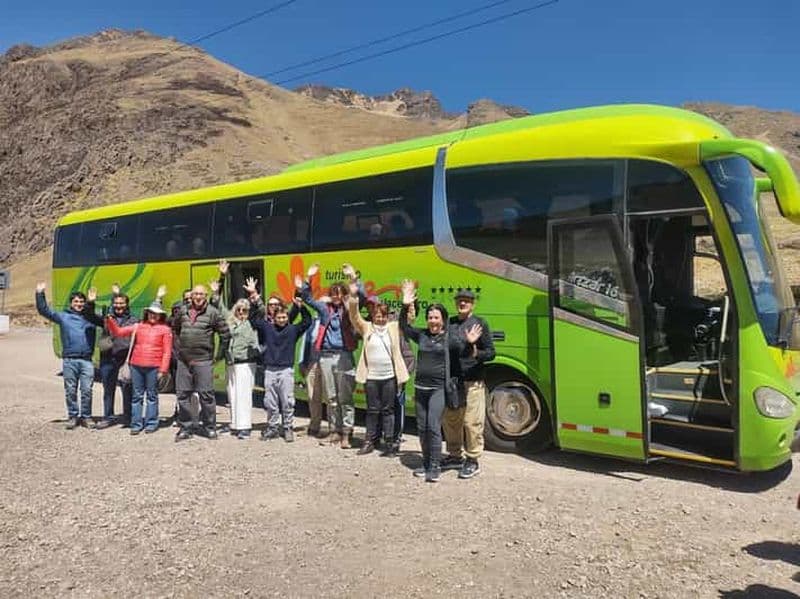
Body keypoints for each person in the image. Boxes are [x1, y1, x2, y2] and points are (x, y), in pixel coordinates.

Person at [399, 280, 483, 482]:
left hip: (438, 389)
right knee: (421, 428)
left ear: (443, 320)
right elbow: (403, 326)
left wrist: (471, 344)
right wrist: (405, 304)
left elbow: (469, 356)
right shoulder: (422, 336)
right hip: (420, 388)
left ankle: (435, 467)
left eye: (436, 317)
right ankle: (427, 462)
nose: (432, 321)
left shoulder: (450, 339)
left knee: (433, 426)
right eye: (430, 317)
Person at [301, 263, 362, 448]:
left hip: (344, 356)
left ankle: (346, 433)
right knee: (332, 398)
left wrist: (353, 279)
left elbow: (360, 298)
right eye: (333, 293)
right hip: (326, 356)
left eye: (339, 293)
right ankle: (334, 431)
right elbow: (307, 298)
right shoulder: (325, 310)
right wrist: (308, 278)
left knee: (345, 398)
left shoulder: (349, 311)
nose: (336, 296)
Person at [346, 283, 409, 456]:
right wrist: (353, 296)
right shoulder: (366, 327)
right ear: (373, 316)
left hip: (389, 377)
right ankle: (369, 441)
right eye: (377, 315)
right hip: (371, 377)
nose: (380, 318)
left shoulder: (394, 327)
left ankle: (389, 443)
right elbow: (354, 315)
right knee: (372, 410)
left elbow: (406, 319)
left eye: (383, 316)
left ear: (388, 316)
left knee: (388, 410)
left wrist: (406, 302)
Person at [249, 278, 312, 442]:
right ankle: (272, 427)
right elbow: (253, 320)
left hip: (286, 371)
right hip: (270, 369)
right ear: (274, 317)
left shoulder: (293, 330)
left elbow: (307, 321)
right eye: (279, 317)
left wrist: (301, 307)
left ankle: (288, 427)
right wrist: (254, 301)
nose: (282, 319)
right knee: (270, 401)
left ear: (287, 317)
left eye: (285, 317)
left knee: (288, 401)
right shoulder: (267, 327)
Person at [442, 289, 496, 479]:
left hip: (473, 381)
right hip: (454, 382)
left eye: (466, 301)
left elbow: (491, 352)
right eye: (459, 301)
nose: (462, 304)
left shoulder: (480, 323)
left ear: (472, 304)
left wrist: (475, 350)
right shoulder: (450, 323)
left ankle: (473, 459)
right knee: (451, 420)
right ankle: (455, 455)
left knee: (472, 422)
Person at [171, 284, 231, 441]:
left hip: (203, 360)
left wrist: (219, 355)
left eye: (201, 294)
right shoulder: (182, 311)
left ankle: (209, 427)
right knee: (183, 395)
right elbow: (175, 329)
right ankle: (185, 427)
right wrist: (178, 350)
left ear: (205, 296)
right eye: (195, 294)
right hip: (184, 361)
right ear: (191, 296)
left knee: (206, 395)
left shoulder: (213, 313)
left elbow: (225, 334)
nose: (198, 297)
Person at [35, 282, 98, 429]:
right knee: (70, 390)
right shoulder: (63, 317)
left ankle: (87, 417)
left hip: (87, 360)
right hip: (70, 360)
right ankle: (73, 416)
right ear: (71, 303)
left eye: (82, 302)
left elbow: (106, 319)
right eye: (76, 301)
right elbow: (44, 311)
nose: (79, 304)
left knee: (87, 390)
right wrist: (40, 294)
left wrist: (91, 302)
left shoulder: (91, 318)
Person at [106, 297, 173, 435]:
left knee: (152, 396)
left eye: (156, 313)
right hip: (136, 365)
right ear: (147, 313)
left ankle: (151, 423)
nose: (153, 315)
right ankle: (136, 424)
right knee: (137, 396)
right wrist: (110, 320)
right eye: (151, 313)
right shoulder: (138, 326)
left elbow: (167, 351)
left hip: (154, 367)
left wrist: (163, 369)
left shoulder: (165, 330)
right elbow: (118, 332)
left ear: (160, 315)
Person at [210, 261, 260, 440]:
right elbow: (217, 303)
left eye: (245, 310)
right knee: (232, 394)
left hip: (246, 363)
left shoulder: (252, 322)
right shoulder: (229, 320)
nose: (241, 312)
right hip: (231, 362)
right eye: (239, 309)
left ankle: (244, 427)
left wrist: (253, 294)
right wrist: (221, 278)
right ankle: (234, 424)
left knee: (244, 395)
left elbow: (260, 309)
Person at [83, 284, 138, 429]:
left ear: (126, 304)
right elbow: (89, 316)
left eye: (122, 303)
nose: (119, 306)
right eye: (116, 303)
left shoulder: (134, 320)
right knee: (108, 390)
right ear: (113, 304)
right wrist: (90, 302)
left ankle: (128, 417)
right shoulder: (107, 318)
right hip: (108, 359)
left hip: (125, 360)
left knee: (127, 389)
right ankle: (108, 417)